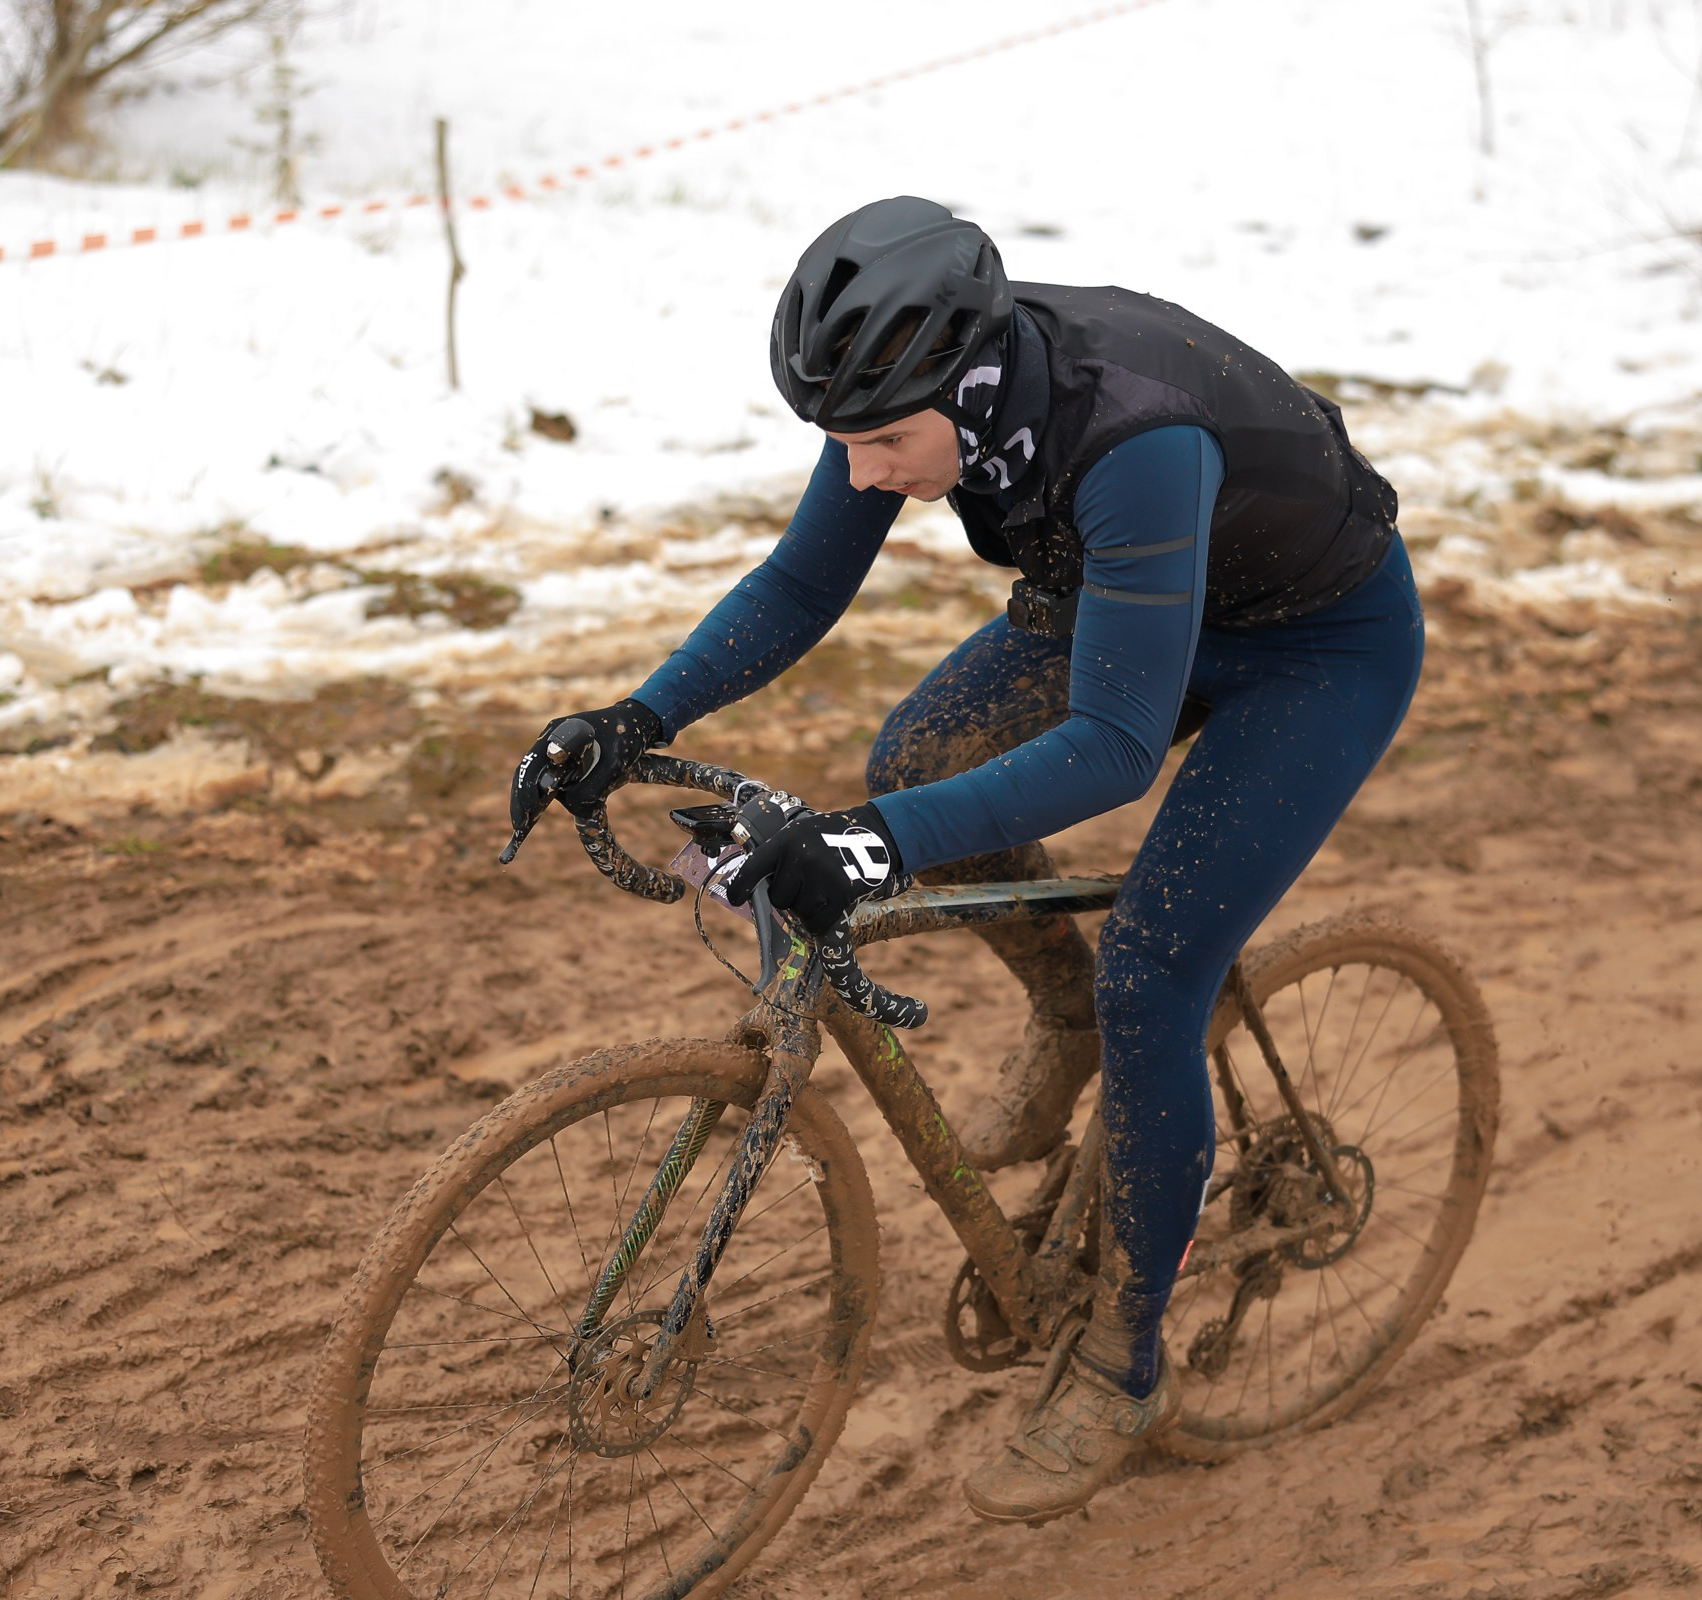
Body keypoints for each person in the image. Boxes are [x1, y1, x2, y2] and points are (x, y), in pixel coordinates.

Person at [507, 196, 1423, 1524]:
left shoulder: (1136, 440)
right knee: (920, 761)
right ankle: (1061, 1021)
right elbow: (800, 585)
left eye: (882, 445)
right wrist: (633, 719)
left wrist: (872, 857)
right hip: (1122, 603)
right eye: (840, 445)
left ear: (968, 382)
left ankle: (1126, 1362)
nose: (863, 472)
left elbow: (1113, 746)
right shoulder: (912, 393)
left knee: (1154, 974)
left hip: (1311, 652)